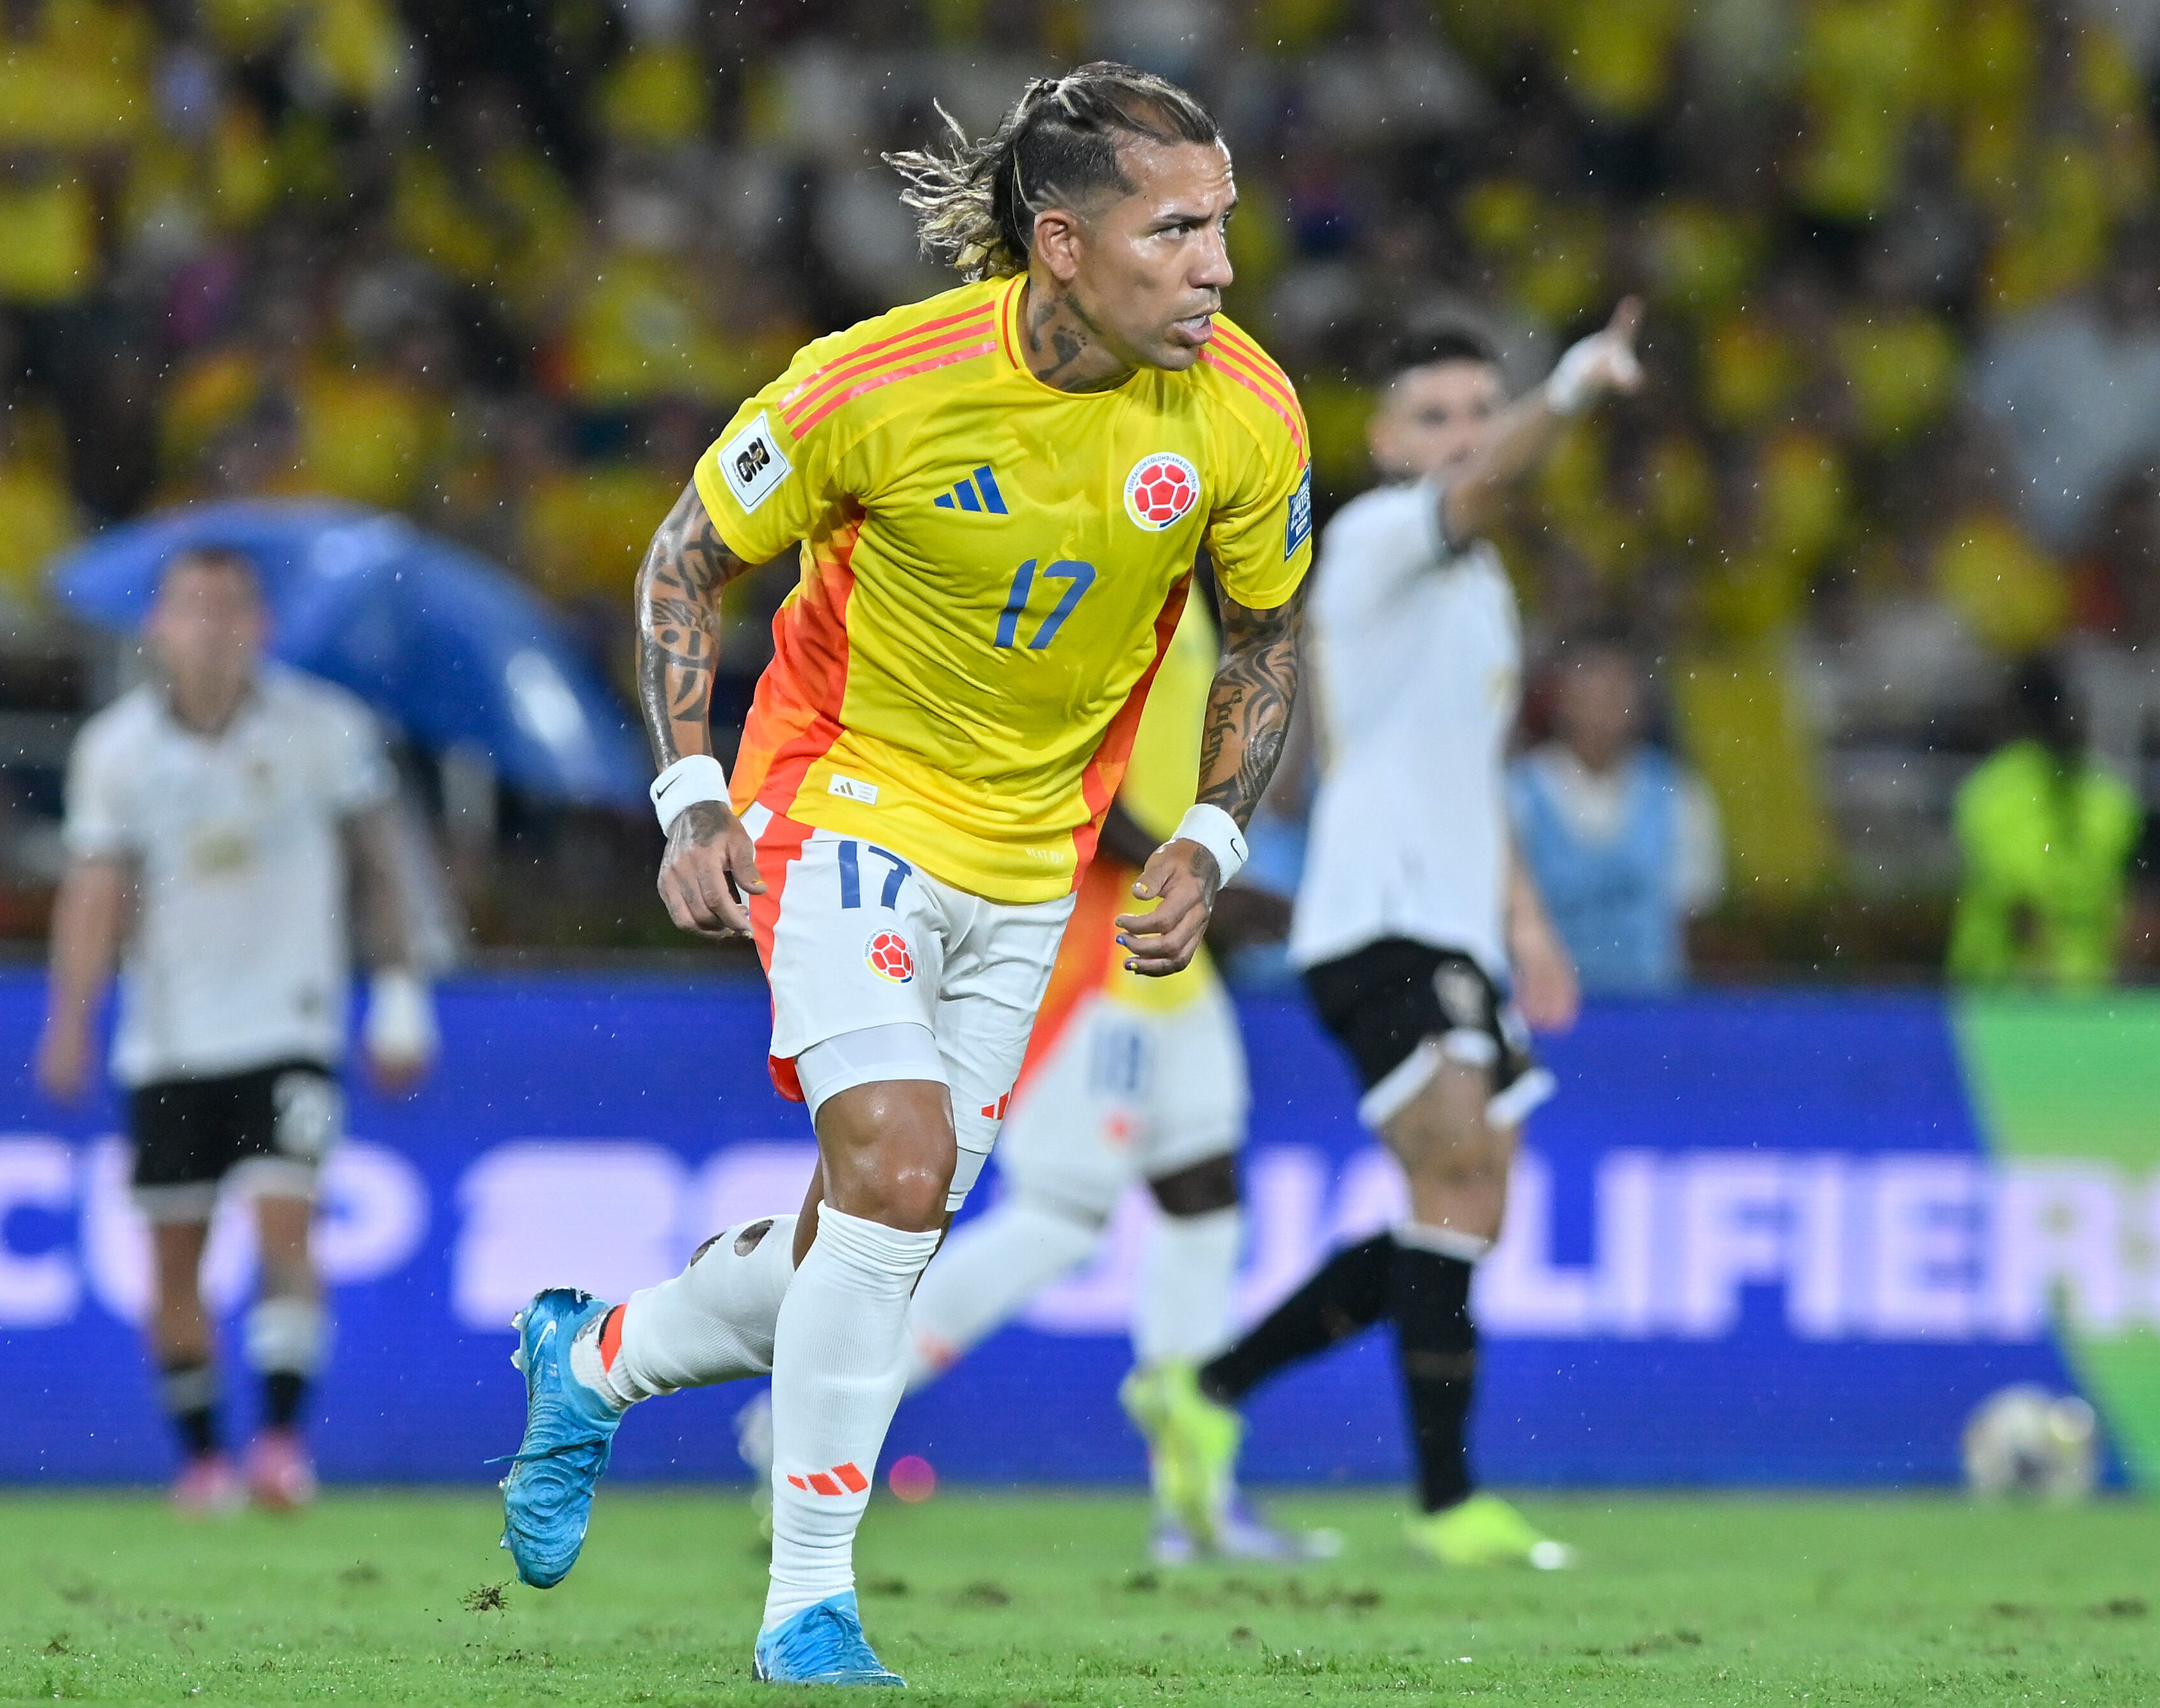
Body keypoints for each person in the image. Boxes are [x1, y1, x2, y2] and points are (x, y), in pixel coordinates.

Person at [491, 63, 1313, 1686]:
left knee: (875, 1225)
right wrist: (689, 794)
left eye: (1223, 226)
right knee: (894, 1164)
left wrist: (1212, 836)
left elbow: (1266, 636)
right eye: (1181, 230)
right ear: (1063, 244)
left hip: (1032, 863)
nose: (1220, 265)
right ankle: (811, 1602)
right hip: (841, 802)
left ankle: (595, 1359)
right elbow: (683, 556)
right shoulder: (872, 385)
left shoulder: (1244, 413)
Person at [1130, 309, 1643, 1570]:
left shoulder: (1479, 582)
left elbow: (1466, 771)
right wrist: (1568, 383)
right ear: (1382, 438)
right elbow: (1487, 486)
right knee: (1456, 1175)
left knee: (1461, 1203)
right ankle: (1445, 1499)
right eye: (1436, 416)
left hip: (1453, 921)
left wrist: (1522, 919)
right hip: (1377, 919)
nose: (1463, 438)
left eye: (1480, 410)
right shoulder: (1367, 536)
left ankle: (1207, 1388)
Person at [733, 581, 1329, 1566]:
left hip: (1170, 962)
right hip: (1094, 952)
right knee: (1059, 1215)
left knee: (1205, 1195)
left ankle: (1194, 1496)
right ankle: (805, 1418)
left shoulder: (1189, 594)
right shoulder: (1104, 568)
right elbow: (1066, 779)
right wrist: (1204, 875)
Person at [35, 547, 438, 1513]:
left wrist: (401, 991)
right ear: (158, 626)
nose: (212, 624)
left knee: (284, 1224)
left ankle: (283, 1446)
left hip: (290, 1019)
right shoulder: (117, 749)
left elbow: (380, 865)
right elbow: (94, 888)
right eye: (192, 605)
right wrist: (70, 1016)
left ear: (262, 625)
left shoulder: (325, 729)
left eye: (230, 606)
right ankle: (204, 1457)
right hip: (167, 1036)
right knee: (174, 1255)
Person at [1507, 634, 1723, 995]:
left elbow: (1692, 917)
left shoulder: (1677, 793)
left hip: (1651, 1010)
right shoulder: (1518, 794)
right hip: (1549, 1011)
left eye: (1615, 697)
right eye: (1588, 696)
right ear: (1562, 701)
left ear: (1639, 706)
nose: (1601, 714)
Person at [1947, 654, 2141, 990]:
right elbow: (2122, 901)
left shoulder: (1992, 788)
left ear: (2013, 712)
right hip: (2085, 988)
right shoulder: (2110, 795)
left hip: (1998, 988)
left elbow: (2014, 898)